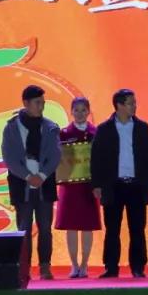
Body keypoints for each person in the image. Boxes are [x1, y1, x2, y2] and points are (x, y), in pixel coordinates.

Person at [91, 88, 148, 279]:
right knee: (112, 229)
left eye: (134, 103)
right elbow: (96, 159)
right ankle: (111, 267)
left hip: (136, 184)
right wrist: (97, 185)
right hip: (113, 185)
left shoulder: (142, 127)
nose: (134, 106)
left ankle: (138, 267)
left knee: (137, 228)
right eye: (130, 103)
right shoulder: (104, 129)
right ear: (119, 105)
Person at [0, 85, 62, 280]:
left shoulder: (50, 127)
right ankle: (23, 268)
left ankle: (45, 267)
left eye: (43, 103)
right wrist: (28, 176)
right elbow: (9, 157)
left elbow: (55, 155)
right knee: (24, 228)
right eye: (37, 103)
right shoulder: (12, 127)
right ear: (26, 103)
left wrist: (42, 175)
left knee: (45, 228)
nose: (41, 107)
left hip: (45, 185)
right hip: (22, 185)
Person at [54, 97, 100, 278]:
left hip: (90, 187)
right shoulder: (63, 133)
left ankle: (84, 264)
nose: (80, 113)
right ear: (71, 112)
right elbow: (58, 160)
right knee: (71, 226)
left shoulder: (96, 133)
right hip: (69, 187)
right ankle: (74, 265)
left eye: (83, 110)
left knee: (87, 226)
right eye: (76, 110)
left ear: (88, 112)